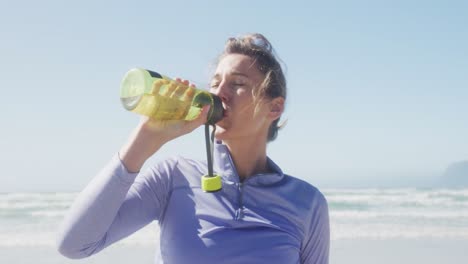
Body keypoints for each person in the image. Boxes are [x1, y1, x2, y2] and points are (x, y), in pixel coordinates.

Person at [57, 33, 330, 264]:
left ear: (275, 107)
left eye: (237, 84)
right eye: (215, 83)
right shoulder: (173, 177)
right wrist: (146, 137)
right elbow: (74, 244)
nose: (218, 92)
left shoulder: (307, 203)